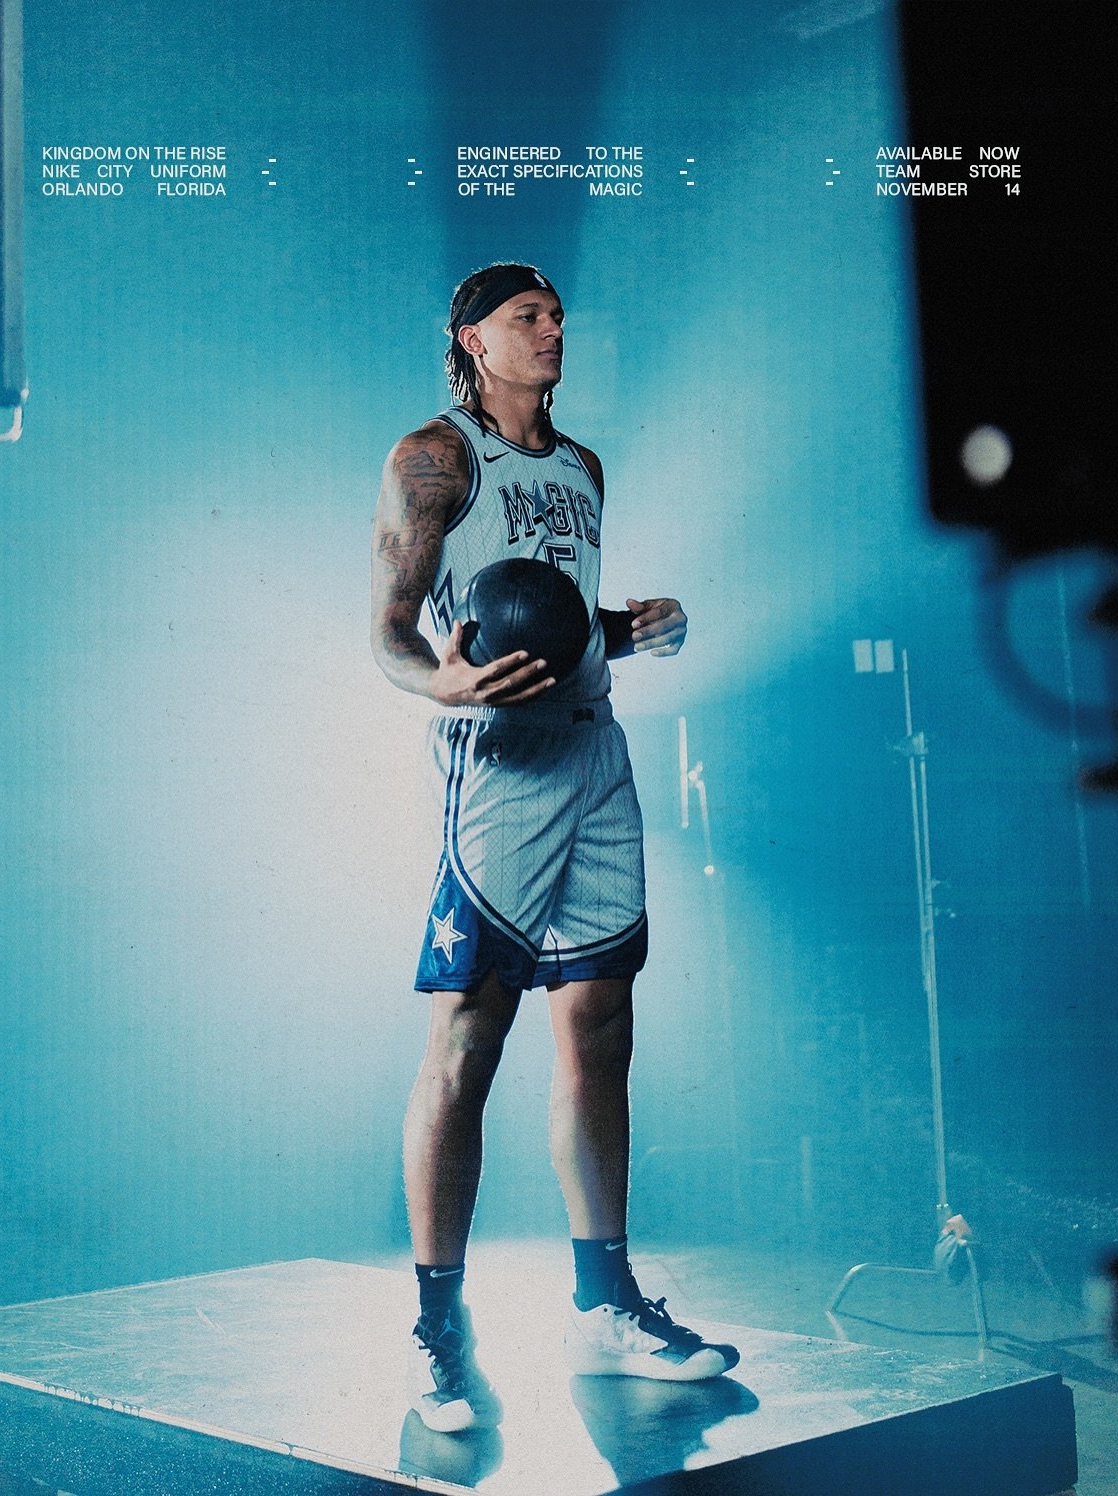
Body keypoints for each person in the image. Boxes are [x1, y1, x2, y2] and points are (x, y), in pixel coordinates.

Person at [370, 263, 737, 1434]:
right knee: (470, 1033)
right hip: (497, 758)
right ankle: (437, 1327)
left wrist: (636, 626)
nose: (552, 330)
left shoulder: (582, 467)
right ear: (472, 339)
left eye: (559, 315)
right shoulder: (436, 458)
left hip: (593, 750)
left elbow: (562, 618)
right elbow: (389, 627)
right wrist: (438, 679)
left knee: (601, 1023)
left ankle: (603, 1302)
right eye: (527, 317)